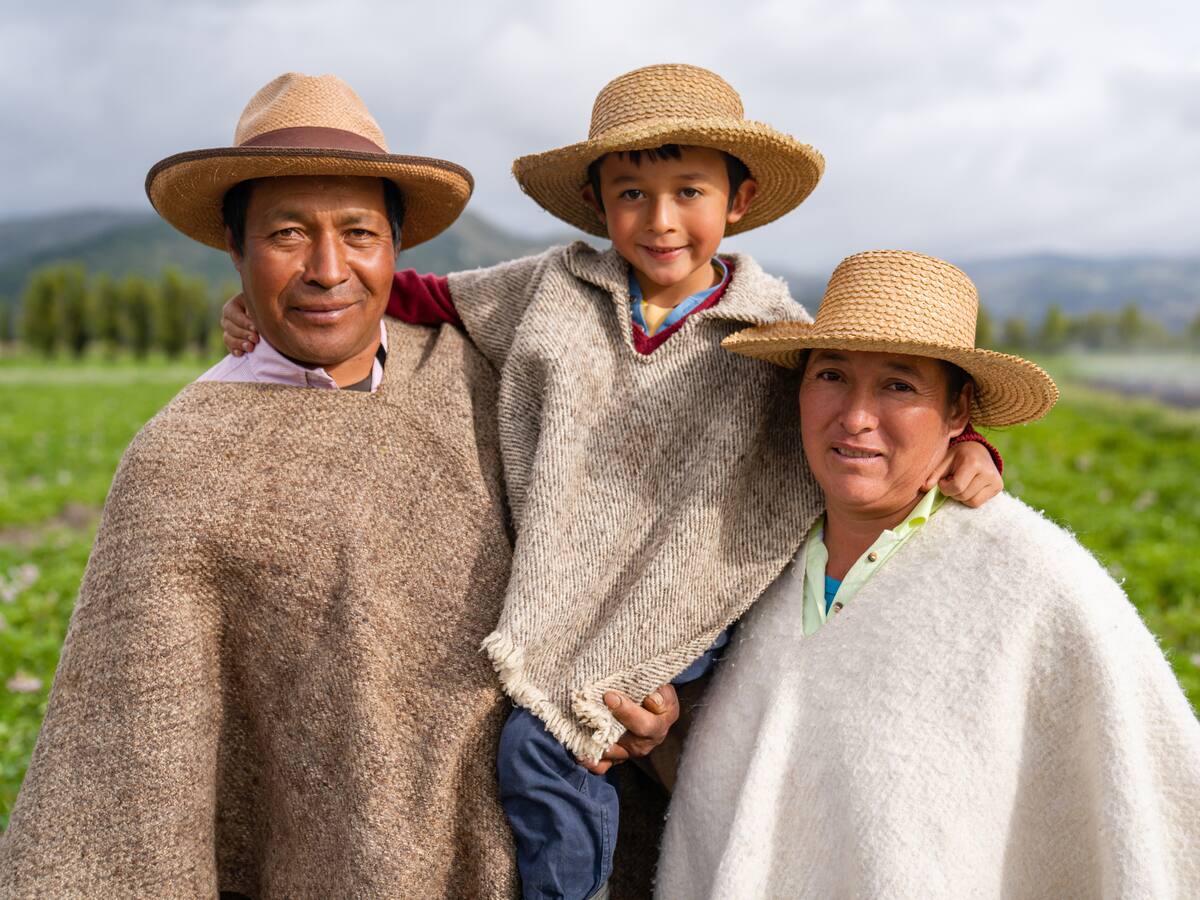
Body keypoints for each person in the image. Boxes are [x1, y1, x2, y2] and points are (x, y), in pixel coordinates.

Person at [220, 65, 1008, 900]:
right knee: (521, 730)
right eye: (632, 194)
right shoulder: (552, 289)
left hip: (687, 583)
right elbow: (421, 296)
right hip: (571, 576)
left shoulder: (769, 332)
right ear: (597, 204)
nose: (660, 221)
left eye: (689, 192)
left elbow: (860, 413)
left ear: (737, 201)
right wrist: (259, 308)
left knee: (544, 743)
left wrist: (973, 452)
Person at [0, 72, 669, 899]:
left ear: (395, 249)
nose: (328, 269)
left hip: (538, 856)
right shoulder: (182, 460)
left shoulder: (482, 382)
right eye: (286, 234)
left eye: (358, 233)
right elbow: (130, 770)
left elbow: (629, 517)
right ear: (234, 250)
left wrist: (646, 686)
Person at [657, 250, 1200, 898]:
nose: (855, 417)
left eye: (899, 386)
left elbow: (1151, 809)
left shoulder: (1039, 583)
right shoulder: (746, 553)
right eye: (831, 375)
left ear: (958, 412)